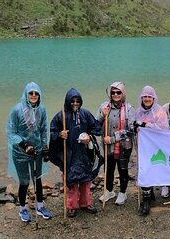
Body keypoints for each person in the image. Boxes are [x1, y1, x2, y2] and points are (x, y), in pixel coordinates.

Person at [49, 88, 103, 218]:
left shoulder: (85, 114)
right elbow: (51, 132)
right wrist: (59, 135)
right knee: (71, 182)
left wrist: (89, 137)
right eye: (72, 101)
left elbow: (96, 128)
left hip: (84, 154)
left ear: (81, 101)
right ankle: (72, 206)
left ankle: (86, 204)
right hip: (69, 154)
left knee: (86, 180)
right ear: (68, 101)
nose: (75, 103)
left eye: (77, 101)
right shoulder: (60, 116)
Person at [6, 82, 53, 222]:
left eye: (36, 93)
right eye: (31, 93)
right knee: (24, 181)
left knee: (38, 179)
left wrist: (45, 147)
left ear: (39, 95)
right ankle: (22, 209)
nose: (33, 95)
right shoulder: (16, 110)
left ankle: (40, 206)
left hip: (37, 150)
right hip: (20, 152)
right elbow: (11, 132)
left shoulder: (42, 110)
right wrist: (24, 145)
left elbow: (44, 130)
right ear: (26, 94)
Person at [97, 81, 135, 206]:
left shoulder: (129, 109)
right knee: (108, 168)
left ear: (123, 93)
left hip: (124, 146)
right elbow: (96, 125)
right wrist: (103, 115)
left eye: (118, 92)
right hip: (107, 145)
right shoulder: (104, 106)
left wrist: (113, 138)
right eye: (113, 92)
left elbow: (130, 130)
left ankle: (123, 192)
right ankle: (109, 191)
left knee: (122, 168)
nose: (115, 95)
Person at [134, 85, 168, 215]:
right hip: (143, 146)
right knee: (144, 170)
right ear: (141, 98)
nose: (147, 99)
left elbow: (163, 129)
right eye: (145, 97)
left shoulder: (159, 111)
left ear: (154, 98)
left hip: (156, 146)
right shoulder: (138, 112)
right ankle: (147, 197)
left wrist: (146, 125)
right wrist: (135, 127)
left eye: (150, 96)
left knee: (154, 168)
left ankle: (151, 192)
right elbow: (134, 126)